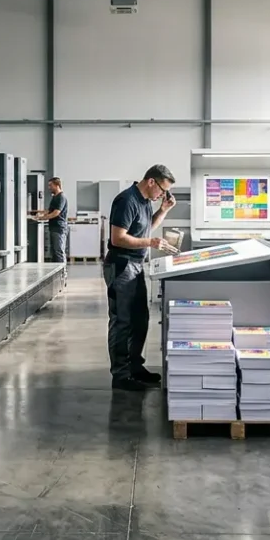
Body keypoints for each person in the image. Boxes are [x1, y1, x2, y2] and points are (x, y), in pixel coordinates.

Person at [105, 165, 179, 391]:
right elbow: (118, 239)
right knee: (123, 321)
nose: (161, 195)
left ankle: (135, 367)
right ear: (151, 182)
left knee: (140, 320)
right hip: (121, 265)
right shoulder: (126, 200)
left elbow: (145, 229)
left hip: (136, 265)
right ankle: (121, 374)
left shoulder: (145, 202)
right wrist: (151, 243)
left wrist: (164, 210)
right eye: (162, 191)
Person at [31, 177, 69, 265]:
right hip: (53, 227)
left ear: (57, 185)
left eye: (50, 185)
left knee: (59, 251)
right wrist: (36, 213)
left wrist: (42, 218)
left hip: (59, 228)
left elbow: (56, 213)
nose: (49, 187)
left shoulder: (61, 197)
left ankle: (63, 272)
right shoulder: (55, 197)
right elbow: (49, 211)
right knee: (55, 252)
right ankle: (57, 271)